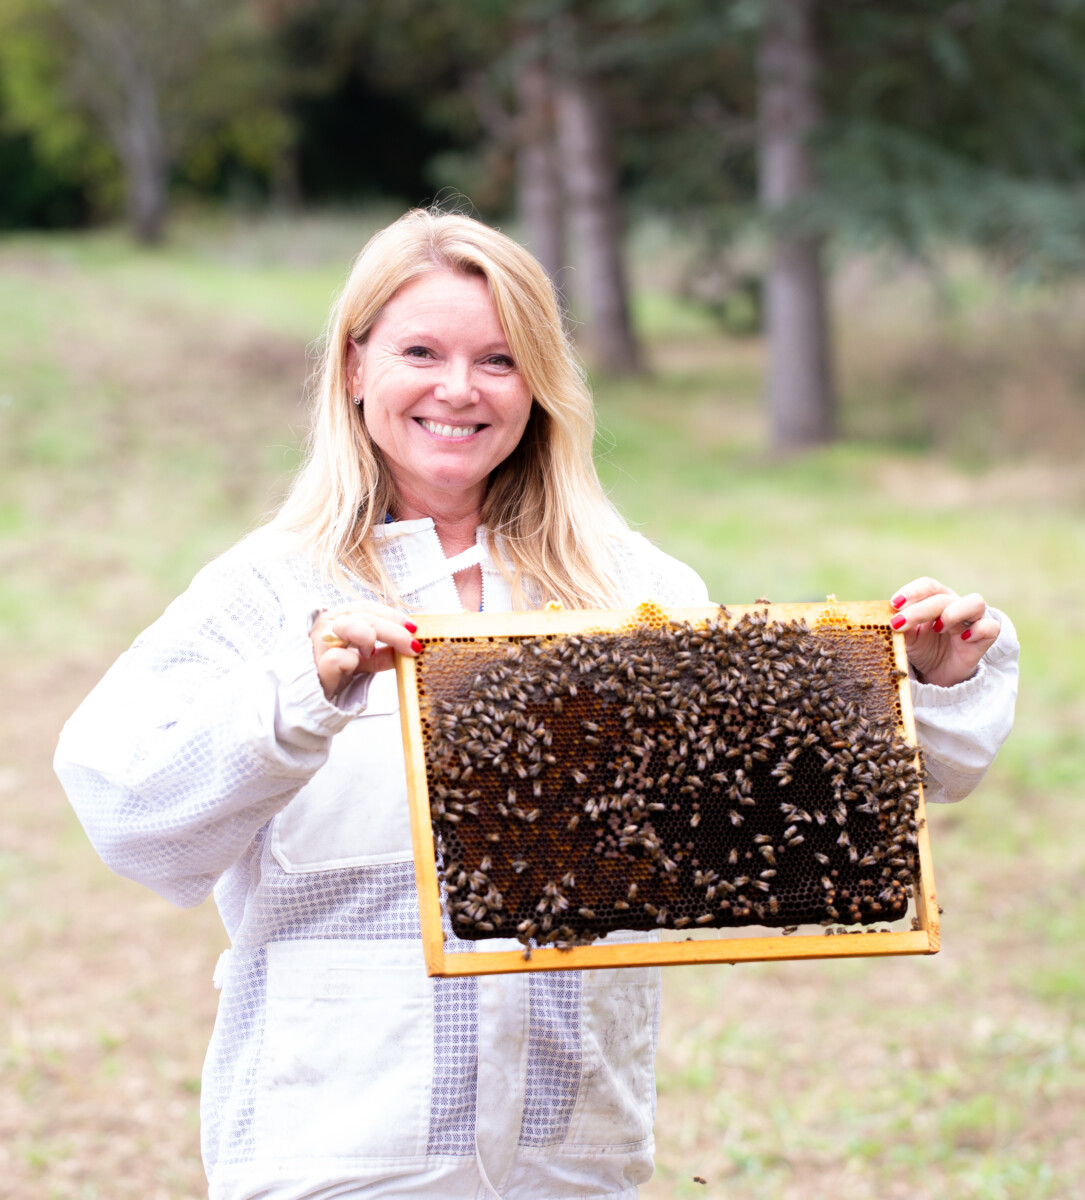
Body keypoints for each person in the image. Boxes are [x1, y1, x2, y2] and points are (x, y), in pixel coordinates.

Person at [54, 209, 1019, 1200]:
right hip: (331, 1142)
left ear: (542, 383)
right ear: (353, 367)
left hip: (572, 1153)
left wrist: (925, 683)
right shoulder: (265, 590)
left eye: (500, 360)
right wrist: (298, 695)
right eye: (419, 351)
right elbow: (129, 813)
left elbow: (813, 803)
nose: (457, 390)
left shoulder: (631, 586)